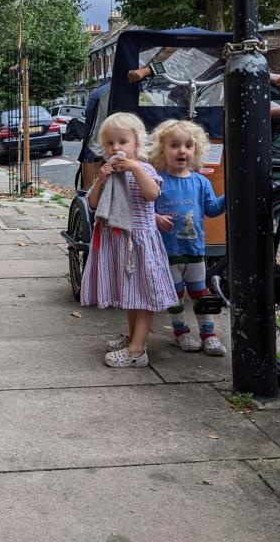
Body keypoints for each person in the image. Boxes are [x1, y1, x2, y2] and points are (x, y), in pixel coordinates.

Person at [80, 112, 177, 368]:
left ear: (136, 144)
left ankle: (137, 350)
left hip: (139, 243)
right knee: (132, 296)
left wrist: (134, 168)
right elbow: (92, 203)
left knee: (144, 296)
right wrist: (101, 179)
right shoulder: (107, 172)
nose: (116, 148)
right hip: (118, 241)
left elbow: (152, 193)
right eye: (110, 143)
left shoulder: (143, 168)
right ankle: (134, 338)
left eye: (122, 142)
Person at [149, 119, 227, 356]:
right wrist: (155, 218)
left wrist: (231, 194)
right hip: (168, 251)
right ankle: (181, 332)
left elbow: (212, 209)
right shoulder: (157, 180)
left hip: (194, 250)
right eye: (174, 145)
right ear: (162, 150)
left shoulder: (200, 182)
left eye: (188, 146)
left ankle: (209, 334)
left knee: (199, 293)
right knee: (175, 295)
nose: (182, 150)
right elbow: (143, 209)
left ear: (196, 150)